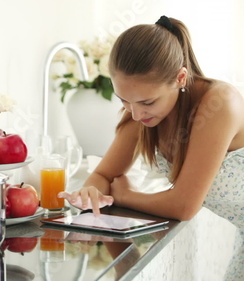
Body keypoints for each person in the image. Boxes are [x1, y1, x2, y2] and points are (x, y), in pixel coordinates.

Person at [58, 16, 243, 280]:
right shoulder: (144, 111)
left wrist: (122, 196)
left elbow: (184, 206)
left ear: (180, 78)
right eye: (124, 100)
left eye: (147, 102)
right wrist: (93, 192)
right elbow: (103, 175)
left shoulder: (220, 103)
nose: (134, 114)